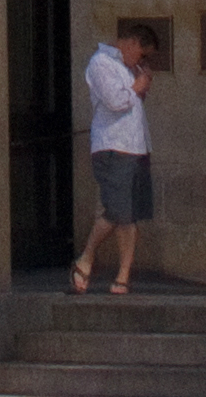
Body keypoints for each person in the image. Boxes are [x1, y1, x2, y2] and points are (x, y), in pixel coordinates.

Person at [69, 27, 152, 296]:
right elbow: (116, 101)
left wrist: (140, 86)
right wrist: (136, 87)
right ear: (131, 42)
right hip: (113, 146)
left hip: (135, 146)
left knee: (129, 215)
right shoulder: (101, 63)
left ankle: (123, 274)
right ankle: (86, 257)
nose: (140, 59)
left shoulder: (130, 69)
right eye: (141, 52)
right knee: (116, 209)